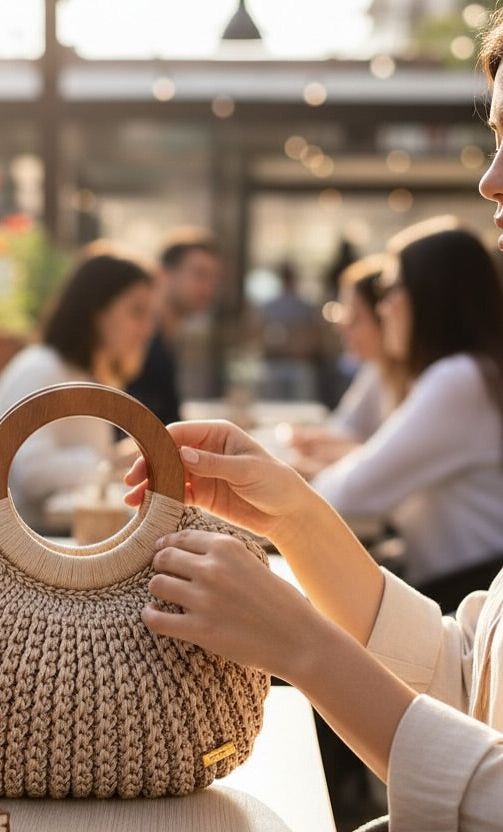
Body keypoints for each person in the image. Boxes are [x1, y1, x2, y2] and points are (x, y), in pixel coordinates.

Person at [121, 15, 503, 828]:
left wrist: (300, 644)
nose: (490, 182)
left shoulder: (458, 379)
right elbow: (471, 678)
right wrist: (294, 518)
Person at [305, 220, 503, 586]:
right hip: (463, 588)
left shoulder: (459, 379)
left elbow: (350, 494)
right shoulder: (471, 372)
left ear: (434, 295)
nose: (383, 308)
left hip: (464, 596)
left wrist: (275, 483)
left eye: (391, 289)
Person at [0, 243, 155, 532]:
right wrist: (109, 462)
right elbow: (32, 472)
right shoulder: (41, 369)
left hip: (39, 544)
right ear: (96, 309)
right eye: (137, 311)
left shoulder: (82, 375)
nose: (147, 328)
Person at [288, 254, 405, 477]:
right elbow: (345, 430)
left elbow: (384, 468)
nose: (341, 326)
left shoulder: (437, 378)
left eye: (354, 317)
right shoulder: (376, 371)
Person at [125, 230, 221, 425]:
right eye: (199, 275)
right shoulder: (142, 340)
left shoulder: (168, 340)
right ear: (163, 275)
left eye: (212, 279)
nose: (208, 289)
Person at [254, 261, 325, 401]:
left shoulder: (303, 306)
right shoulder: (271, 306)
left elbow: (313, 335)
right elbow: (259, 334)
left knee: (300, 404)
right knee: (272, 404)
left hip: (297, 364)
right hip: (276, 363)